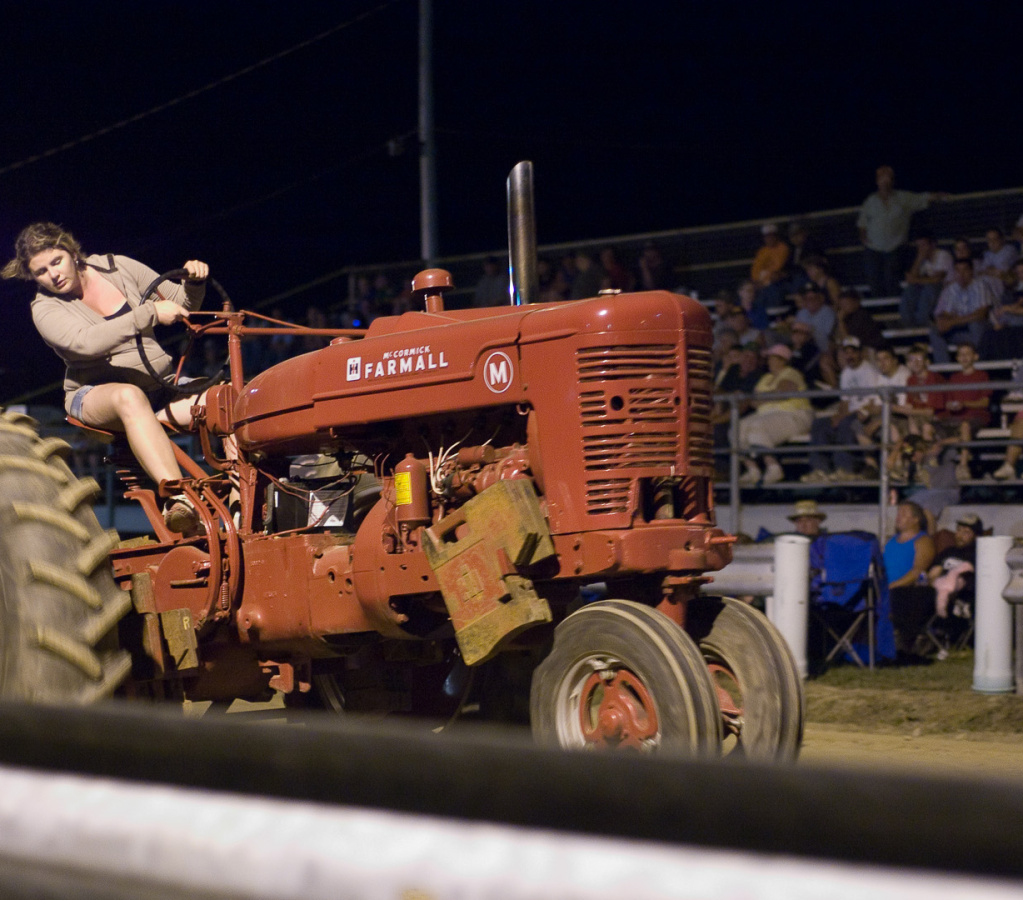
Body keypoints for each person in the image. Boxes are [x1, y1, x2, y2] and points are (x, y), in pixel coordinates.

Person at [2, 222, 212, 533]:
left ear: (72, 252)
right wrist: (149, 313)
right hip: (94, 394)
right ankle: (177, 498)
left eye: (56, 261)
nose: (53, 275)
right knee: (129, 396)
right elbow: (85, 343)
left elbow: (181, 305)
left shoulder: (117, 266)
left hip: (160, 387)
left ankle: (241, 504)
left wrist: (194, 283)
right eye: (41, 271)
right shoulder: (44, 308)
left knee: (225, 400)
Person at [801, 336, 880, 482]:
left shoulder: (870, 372)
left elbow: (871, 403)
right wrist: (838, 416)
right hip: (850, 413)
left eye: (853, 352)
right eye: (846, 352)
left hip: (865, 414)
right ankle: (821, 469)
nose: (850, 356)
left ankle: (846, 468)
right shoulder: (845, 374)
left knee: (846, 423)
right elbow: (844, 402)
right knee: (820, 424)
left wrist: (845, 416)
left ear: (860, 353)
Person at [857, 165, 942, 298]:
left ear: (892, 180)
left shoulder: (903, 198)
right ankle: (880, 307)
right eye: (881, 178)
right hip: (872, 248)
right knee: (873, 279)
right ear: (877, 181)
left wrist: (939, 196)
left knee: (891, 280)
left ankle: (893, 306)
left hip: (895, 247)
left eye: (887, 177)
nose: (884, 181)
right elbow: (862, 223)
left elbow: (922, 198)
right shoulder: (870, 201)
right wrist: (863, 237)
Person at [736, 344, 813, 486]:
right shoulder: (766, 378)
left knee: (758, 427)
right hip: (766, 413)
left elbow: (782, 392)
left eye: (772, 358)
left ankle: (773, 467)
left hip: (792, 413)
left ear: (782, 360)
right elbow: (754, 401)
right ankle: (752, 469)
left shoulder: (791, 373)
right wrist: (769, 396)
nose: (769, 361)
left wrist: (764, 398)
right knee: (738, 427)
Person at [883, 500, 936, 653]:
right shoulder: (890, 542)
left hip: (904, 591)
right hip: (884, 588)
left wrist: (893, 586)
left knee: (899, 596)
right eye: (898, 513)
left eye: (904, 514)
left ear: (916, 519)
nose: (898, 517)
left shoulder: (923, 541)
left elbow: (917, 571)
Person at [935, 342, 991, 481]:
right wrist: (951, 406)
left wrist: (964, 404)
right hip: (955, 417)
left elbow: (984, 402)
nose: (964, 357)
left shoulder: (982, 376)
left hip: (975, 416)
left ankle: (963, 466)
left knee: (965, 426)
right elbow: (949, 402)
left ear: (975, 356)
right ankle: (929, 466)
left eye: (967, 354)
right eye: (961, 354)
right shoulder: (953, 378)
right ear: (957, 358)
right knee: (929, 427)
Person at [929, 258, 997, 363]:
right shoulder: (950, 289)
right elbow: (945, 314)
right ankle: (944, 367)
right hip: (960, 330)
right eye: (958, 270)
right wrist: (945, 321)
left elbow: (981, 314)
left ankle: (977, 363)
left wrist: (953, 321)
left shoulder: (981, 285)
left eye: (965, 270)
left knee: (976, 325)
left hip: (980, 330)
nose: (961, 274)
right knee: (935, 330)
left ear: (971, 271)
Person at [899, 230, 954, 327]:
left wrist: (916, 280)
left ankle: (922, 322)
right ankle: (907, 323)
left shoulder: (943, 255)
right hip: (929, 290)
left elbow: (938, 279)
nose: (921, 249)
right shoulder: (922, 259)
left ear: (932, 245)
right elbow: (911, 278)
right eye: (919, 246)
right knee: (910, 289)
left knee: (930, 288)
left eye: (923, 245)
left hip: (946, 290)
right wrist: (919, 259)